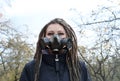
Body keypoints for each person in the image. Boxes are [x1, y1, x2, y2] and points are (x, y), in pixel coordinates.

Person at [19, 18, 92, 81]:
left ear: (67, 37)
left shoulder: (79, 67)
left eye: (60, 34)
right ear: (44, 38)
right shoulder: (31, 68)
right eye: (50, 34)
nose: (55, 37)